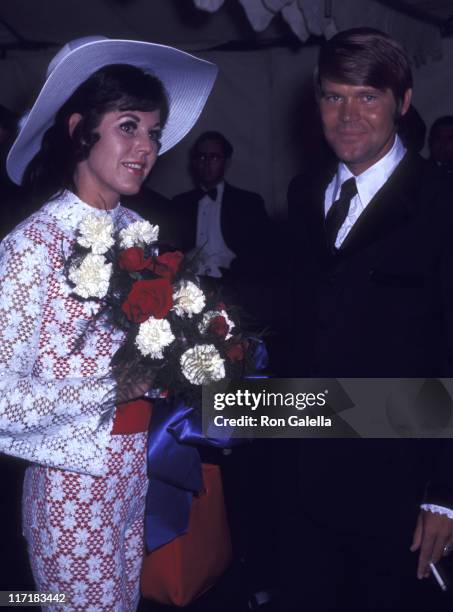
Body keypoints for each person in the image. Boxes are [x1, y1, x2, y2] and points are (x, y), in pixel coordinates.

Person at [0, 35, 216, 611]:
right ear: (79, 129)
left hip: (131, 471)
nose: (145, 146)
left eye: (152, 132)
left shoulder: (139, 233)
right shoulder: (32, 247)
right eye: (128, 126)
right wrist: (112, 388)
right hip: (70, 482)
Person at [283, 27, 453, 611]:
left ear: (403, 102)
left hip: (401, 494)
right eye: (334, 97)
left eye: (367, 97)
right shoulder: (304, 195)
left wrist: (445, 495)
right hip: (302, 480)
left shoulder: (441, 203)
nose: (347, 116)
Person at [170, 131, 272, 319]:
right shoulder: (178, 204)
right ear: (193, 162)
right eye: (201, 157)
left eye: (214, 157)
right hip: (189, 290)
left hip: (233, 289)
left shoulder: (249, 203)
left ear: (226, 162)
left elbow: (263, 256)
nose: (207, 163)